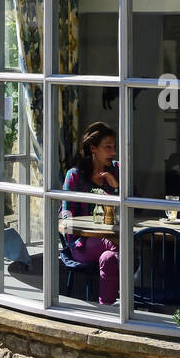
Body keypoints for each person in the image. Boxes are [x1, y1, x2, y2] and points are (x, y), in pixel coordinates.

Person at [60, 121, 119, 306]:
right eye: (107, 147)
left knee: (109, 258)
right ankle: (134, 292)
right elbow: (66, 214)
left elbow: (133, 206)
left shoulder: (117, 170)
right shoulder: (75, 176)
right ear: (93, 148)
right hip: (82, 243)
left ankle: (106, 309)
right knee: (124, 247)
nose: (113, 152)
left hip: (113, 237)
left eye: (114, 147)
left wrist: (115, 187)